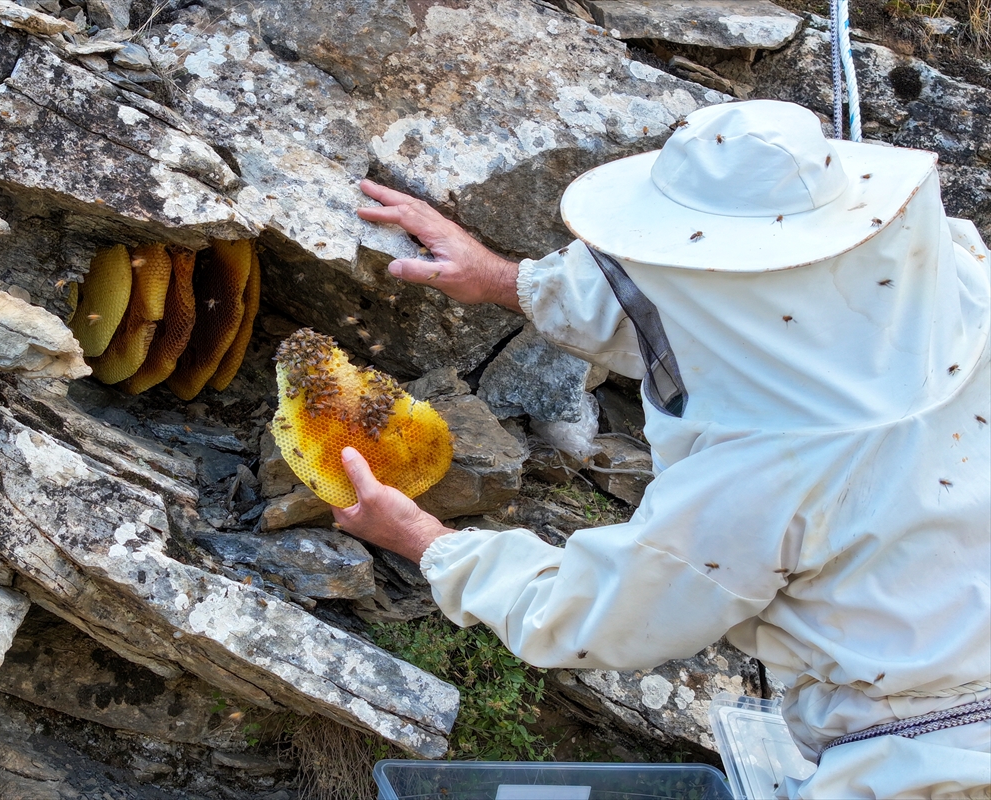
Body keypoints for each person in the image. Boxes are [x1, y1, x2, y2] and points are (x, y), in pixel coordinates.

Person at [333, 100, 991, 798]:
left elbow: (597, 614)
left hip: (920, 770)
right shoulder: (961, 279)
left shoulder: (767, 476)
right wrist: (505, 279)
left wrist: (426, 542)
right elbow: (721, 312)